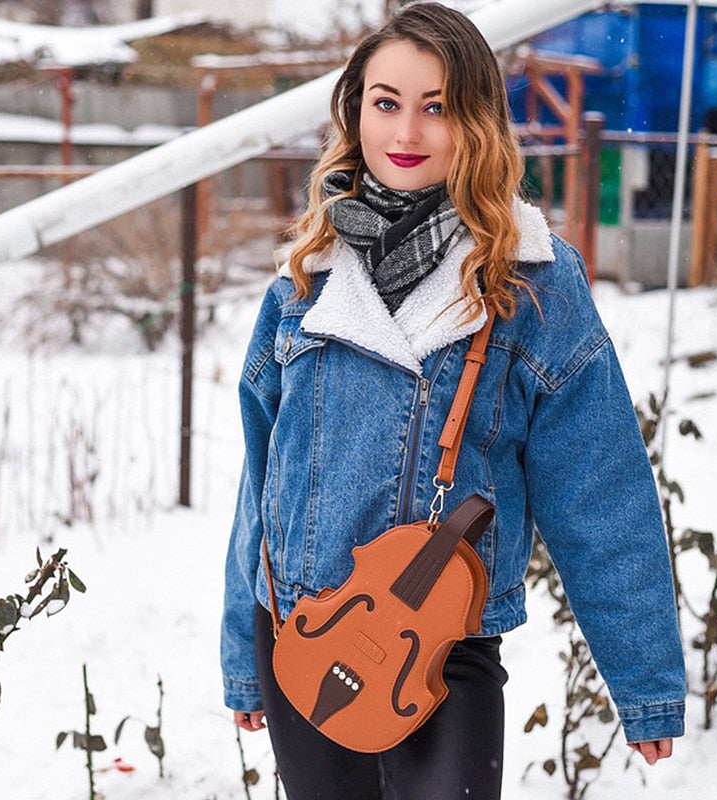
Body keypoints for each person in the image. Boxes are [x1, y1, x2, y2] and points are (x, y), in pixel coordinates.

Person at [221, 3, 685, 798]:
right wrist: (241, 653)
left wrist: (645, 683)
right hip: (305, 632)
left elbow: (601, 495)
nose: (407, 130)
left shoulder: (532, 283)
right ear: (355, 110)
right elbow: (262, 482)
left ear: (475, 121)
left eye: (436, 107)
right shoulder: (306, 280)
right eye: (386, 101)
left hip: (445, 647)